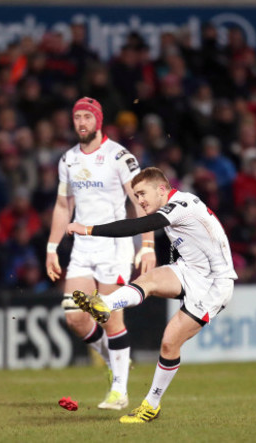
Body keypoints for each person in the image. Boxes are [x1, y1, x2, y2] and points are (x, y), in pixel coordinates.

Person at [67, 167, 237, 423]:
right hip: (190, 270)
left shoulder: (181, 204)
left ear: (161, 189)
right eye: (135, 195)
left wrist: (88, 229)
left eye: (143, 193)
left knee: (169, 342)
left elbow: (140, 225)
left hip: (214, 284)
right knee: (150, 279)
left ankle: (151, 405)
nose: (140, 200)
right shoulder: (175, 207)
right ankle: (105, 304)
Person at [46, 97, 156, 410]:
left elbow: (140, 200)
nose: (81, 122)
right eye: (77, 117)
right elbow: (62, 205)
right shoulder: (68, 160)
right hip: (82, 247)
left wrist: (146, 245)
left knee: (108, 316)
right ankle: (115, 362)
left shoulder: (119, 157)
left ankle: (119, 391)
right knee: (76, 318)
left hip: (114, 246)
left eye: (86, 117)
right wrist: (52, 247)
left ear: (98, 120)